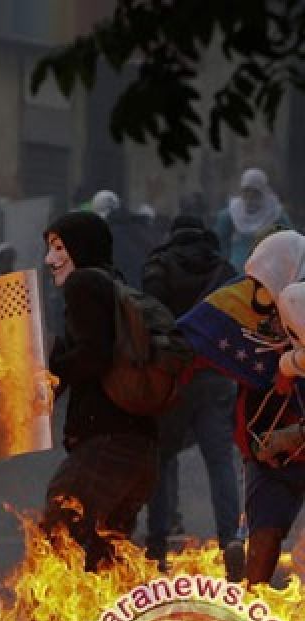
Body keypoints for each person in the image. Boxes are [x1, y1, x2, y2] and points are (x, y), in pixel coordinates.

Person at [177, 230, 305, 584]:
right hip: (266, 441)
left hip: (289, 437)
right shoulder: (243, 299)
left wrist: (289, 369)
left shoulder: (299, 301)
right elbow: (191, 342)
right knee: (262, 540)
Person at [41, 210, 160, 571]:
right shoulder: (114, 283)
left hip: (108, 445)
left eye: (59, 248)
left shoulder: (85, 284)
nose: (50, 260)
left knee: (59, 529)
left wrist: (49, 377)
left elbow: (94, 355)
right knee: (105, 559)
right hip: (139, 449)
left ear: (82, 248)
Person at [141, 216, 241, 577]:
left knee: (164, 460)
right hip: (216, 375)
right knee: (220, 463)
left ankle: (156, 543)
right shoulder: (223, 268)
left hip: (174, 379)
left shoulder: (159, 268)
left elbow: (147, 321)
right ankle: (231, 539)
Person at [215, 168, 292, 268]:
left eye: (255, 191)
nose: (250, 195)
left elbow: (289, 242)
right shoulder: (231, 214)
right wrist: (223, 264)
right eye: (247, 191)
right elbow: (219, 242)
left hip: (266, 270)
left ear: (263, 191)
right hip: (236, 270)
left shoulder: (275, 214)